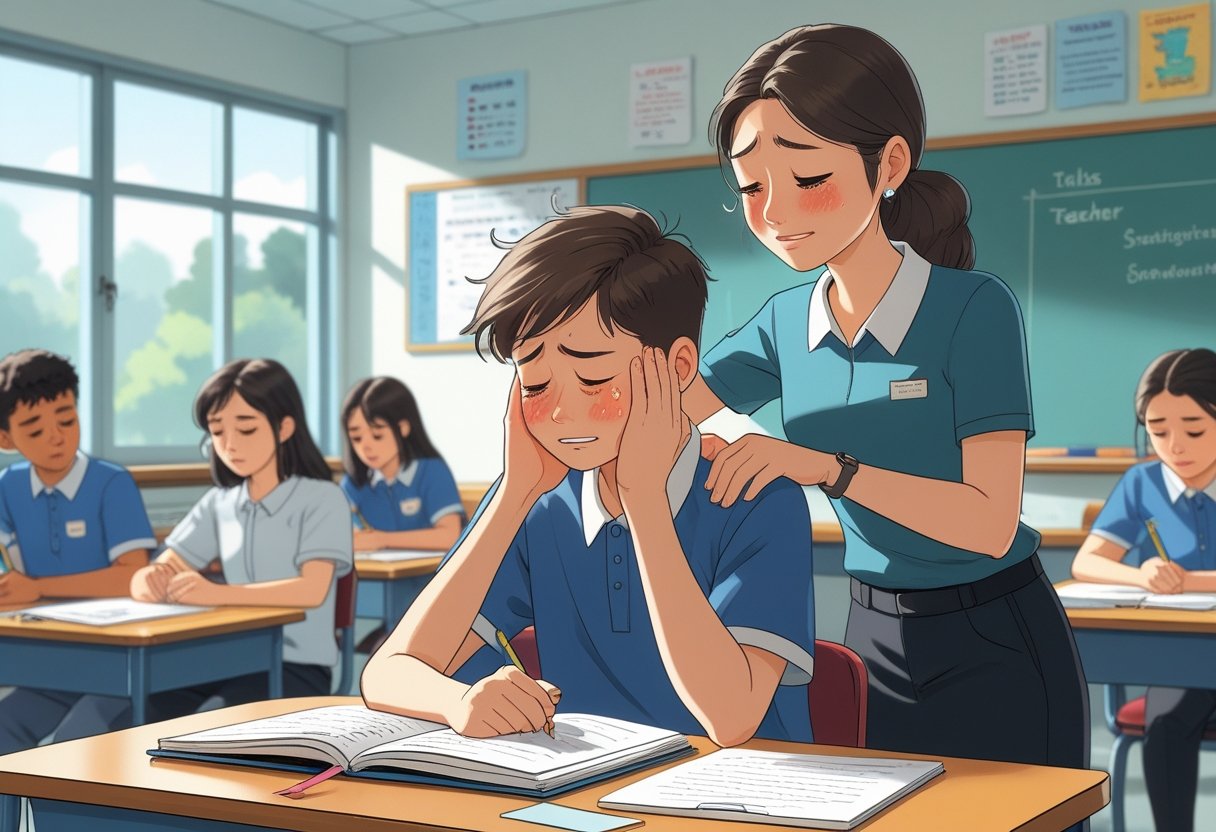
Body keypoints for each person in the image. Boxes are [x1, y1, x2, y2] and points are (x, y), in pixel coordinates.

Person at [680, 23, 1088, 767]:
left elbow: (989, 523)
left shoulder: (973, 308)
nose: (775, 212)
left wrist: (825, 469)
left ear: (890, 164)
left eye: (808, 179)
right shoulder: (783, 323)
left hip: (993, 629)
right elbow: (670, 412)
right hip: (870, 629)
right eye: (752, 188)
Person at [362, 204, 815, 746]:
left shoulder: (757, 500)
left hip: (736, 790)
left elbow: (731, 717)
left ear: (677, 368)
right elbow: (387, 672)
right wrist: (456, 700)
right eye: (535, 385)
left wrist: (643, 501)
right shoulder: (540, 501)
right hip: (587, 784)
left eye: (594, 379)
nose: (559, 413)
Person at [54, 358, 353, 739]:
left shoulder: (322, 498)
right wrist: (149, 578)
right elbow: (166, 563)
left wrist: (215, 593)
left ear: (284, 427)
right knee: (97, 717)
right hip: (221, 656)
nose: (230, 444)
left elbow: (311, 590)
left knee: (204, 730)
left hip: (294, 666)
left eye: (246, 429)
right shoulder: (221, 502)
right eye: (217, 431)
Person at [1072, 348, 1216, 832]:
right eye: (1158, 430)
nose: (1175, 446)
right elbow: (1086, 562)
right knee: (1166, 725)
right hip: (1182, 657)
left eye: (1194, 430)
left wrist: (1190, 581)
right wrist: (1143, 574)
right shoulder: (1143, 483)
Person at [0, 349, 155, 753]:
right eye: (35, 430)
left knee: (75, 742)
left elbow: (132, 576)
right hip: (54, 660)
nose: (56, 437)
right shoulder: (8, 486)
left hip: (118, 662)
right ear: (5, 439)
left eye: (66, 420)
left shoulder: (111, 483)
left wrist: (37, 587)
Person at [340, 376, 464, 554]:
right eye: (356, 438)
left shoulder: (431, 471)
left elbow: (450, 536)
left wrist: (382, 540)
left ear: (403, 428)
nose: (365, 447)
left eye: (377, 435)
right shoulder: (353, 484)